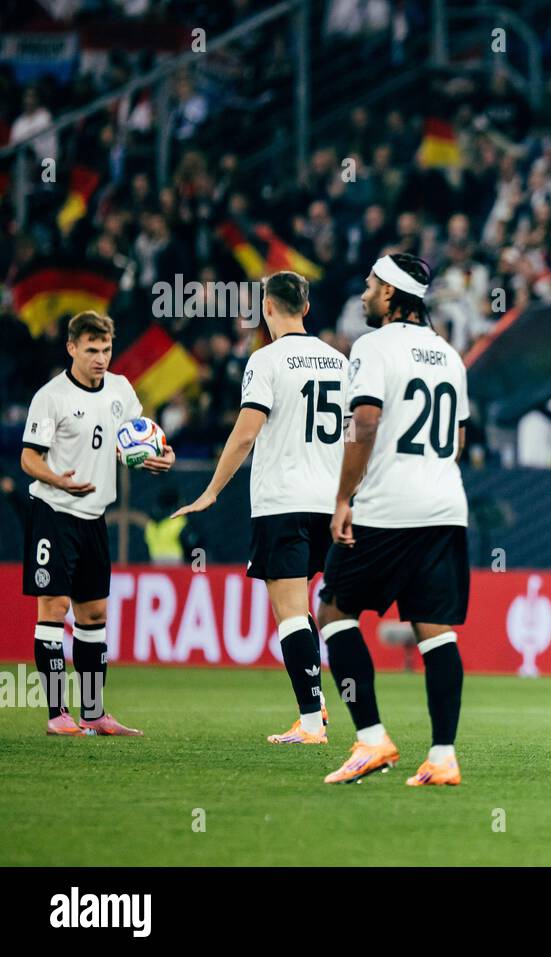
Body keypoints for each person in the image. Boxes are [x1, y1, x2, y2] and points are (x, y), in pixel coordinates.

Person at [316, 254, 471, 787]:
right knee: (435, 630)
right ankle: (443, 756)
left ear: (389, 293)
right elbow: (457, 441)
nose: (363, 293)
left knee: (333, 611)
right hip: (445, 505)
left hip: (388, 505)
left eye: (370, 285)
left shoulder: (373, 346)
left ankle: (372, 738)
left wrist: (343, 497)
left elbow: (365, 421)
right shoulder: (451, 355)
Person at [173, 272, 345, 745]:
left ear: (267, 309)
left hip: (284, 501)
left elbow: (246, 431)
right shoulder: (338, 361)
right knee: (304, 604)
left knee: (289, 610)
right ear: (305, 308)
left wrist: (212, 490)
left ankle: (311, 723)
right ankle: (318, 713)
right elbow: (353, 435)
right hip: (328, 503)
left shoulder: (264, 361)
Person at [21, 311, 174, 736]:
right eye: (91, 350)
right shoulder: (51, 397)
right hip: (54, 511)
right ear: (72, 348)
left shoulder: (121, 390)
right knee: (54, 607)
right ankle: (57, 715)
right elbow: (29, 457)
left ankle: (93, 712)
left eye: (106, 349)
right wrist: (56, 479)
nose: (100, 358)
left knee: (93, 615)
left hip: (94, 517)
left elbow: (136, 439)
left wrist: (162, 454)